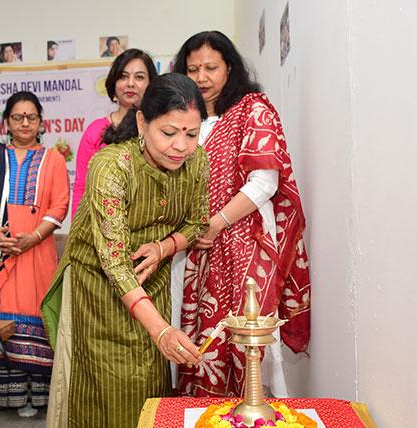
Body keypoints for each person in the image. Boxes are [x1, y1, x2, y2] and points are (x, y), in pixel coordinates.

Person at [42, 73, 210, 428]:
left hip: (153, 281)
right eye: (169, 133)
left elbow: (197, 224)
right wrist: (161, 330)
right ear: (141, 122)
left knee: (149, 378)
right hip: (97, 286)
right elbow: (114, 260)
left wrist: (165, 246)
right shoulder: (112, 166)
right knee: (102, 383)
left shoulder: (197, 162)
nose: (181, 146)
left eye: (191, 134)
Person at [172, 30, 311, 397]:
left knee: (250, 337)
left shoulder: (253, 109)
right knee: (202, 338)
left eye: (210, 67)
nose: (201, 77)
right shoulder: (187, 123)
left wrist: (217, 224)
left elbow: (265, 182)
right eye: (192, 69)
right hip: (199, 251)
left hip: (245, 242)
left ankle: (257, 412)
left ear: (229, 67)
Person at [0, 91, 70, 418]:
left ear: (41, 122)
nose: (25, 123)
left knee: (32, 315)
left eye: (31, 117)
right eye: (18, 117)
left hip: (35, 251)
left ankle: (33, 398)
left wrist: (34, 237)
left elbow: (59, 205)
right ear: (7, 122)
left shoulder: (53, 159)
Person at [71, 48, 157, 217]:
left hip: (149, 222)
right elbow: (82, 184)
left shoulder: (158, 127)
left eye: (139, 77)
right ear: (114, 82)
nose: (130, 83)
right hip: (103, 223)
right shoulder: (95, 130)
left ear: (151, 83)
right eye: (123, 76)